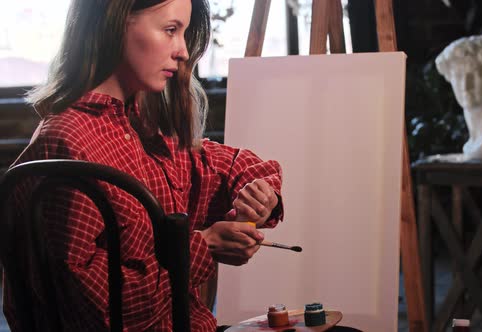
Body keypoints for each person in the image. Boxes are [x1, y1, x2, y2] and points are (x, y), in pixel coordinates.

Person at [3, 0, 283, 331]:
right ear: (115, 22)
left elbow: (222, 165)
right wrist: (201, 249)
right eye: (170, 30)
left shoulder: (137, 127)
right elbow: (93, 311)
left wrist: (260, 195)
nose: (182, 51)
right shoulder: (69, 143)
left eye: (184, 33)